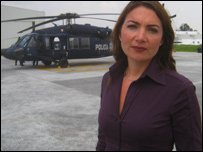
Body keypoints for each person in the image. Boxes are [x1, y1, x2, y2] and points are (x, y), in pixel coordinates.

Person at [96, 1, 202, 151]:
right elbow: (103, 139)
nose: (140, 37)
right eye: (133, 26)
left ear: (162, 40)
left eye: (152, 30)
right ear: (120, 33)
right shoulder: (109, 79)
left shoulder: (180, 90)